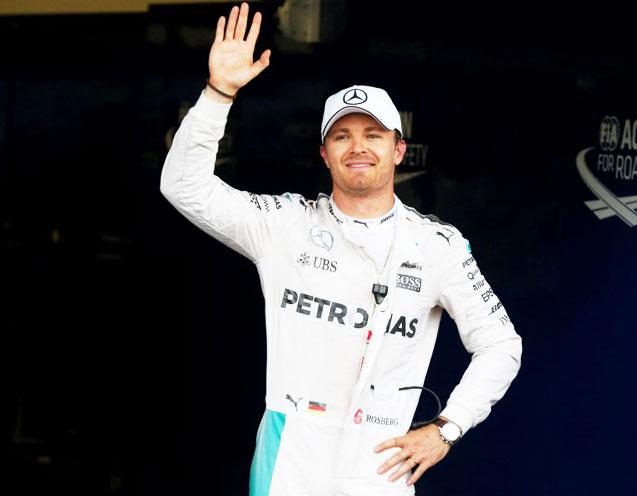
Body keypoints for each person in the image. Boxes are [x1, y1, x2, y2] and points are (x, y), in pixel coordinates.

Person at [160, 3, 522, 495]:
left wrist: (447, 429)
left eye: (373, 135)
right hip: (291, 450)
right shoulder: (284, 224)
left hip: (381, 459)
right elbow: (185, 187)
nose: (358, 148)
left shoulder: (439, 246)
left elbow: (501, 345)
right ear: (324, 153)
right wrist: (219, 93)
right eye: (342, 136)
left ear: (397, 150)